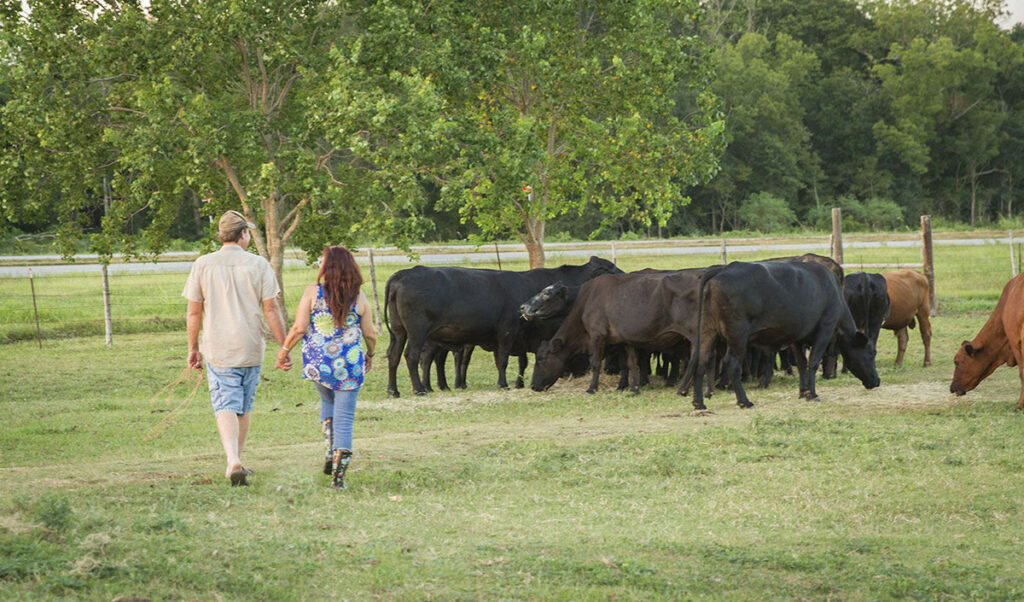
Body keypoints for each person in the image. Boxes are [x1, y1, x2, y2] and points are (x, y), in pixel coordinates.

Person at [182, 210, 287, 486]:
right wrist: (284, 345)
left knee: (224, 402)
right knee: (243, 405)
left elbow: (194, 312)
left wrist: (193, 347)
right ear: (242, 234)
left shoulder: (203, 264)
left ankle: (232, 460)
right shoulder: (258, 264)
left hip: (218, 346)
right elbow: (271, 308)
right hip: (251, 345)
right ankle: (237, 459)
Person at [276, 245, 377, 490]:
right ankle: (338, 480)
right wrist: (370, 354)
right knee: (345, 420)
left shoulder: (313, 292)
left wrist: (284, 351)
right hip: (350, 367)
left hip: (318, 365)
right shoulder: (359, 297)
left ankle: (330, 453)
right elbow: (370, 333)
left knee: (327, 401)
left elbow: (299, 328)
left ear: (326, 267)